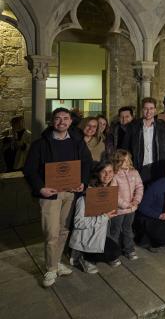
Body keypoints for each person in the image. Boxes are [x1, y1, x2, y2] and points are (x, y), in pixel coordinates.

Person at [23, 107, 93, 287]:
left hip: (70, 193)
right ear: (52, 121)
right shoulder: (40, 144)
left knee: (63, 230)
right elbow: (29, 170)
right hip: (50, 195)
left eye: (65, 118)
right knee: (51, 232)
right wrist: (40, 188)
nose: (62, 121)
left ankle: (56, 262)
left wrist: (83, 182)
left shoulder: (77, 142)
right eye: (58, 118)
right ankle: (51, 268)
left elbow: (86, 162)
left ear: (70, 121)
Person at [69, 161, 121, 274]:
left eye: (110, 171)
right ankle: (86, 258)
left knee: (116, 251)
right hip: (87, 237)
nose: (107, 175)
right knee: (112, 253)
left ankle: (94, 255)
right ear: (97, 173)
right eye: (104, 171)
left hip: (100, 235)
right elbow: (78, 223)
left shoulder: (110, 192)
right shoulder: (86, 196)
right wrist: (104, 217)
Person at [124, 97, 165, 184]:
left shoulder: (162, 125)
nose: (148, 111)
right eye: (146, 108)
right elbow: (125, 147)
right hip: (139, 167)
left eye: (151, 108)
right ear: (142, 110)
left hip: (158, 167)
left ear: (155, 110)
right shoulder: (133, 126)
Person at [110, 149, 143, 260]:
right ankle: (113, 254)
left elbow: (139, 187)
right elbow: (113, 193)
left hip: (131, 209)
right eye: (124, 160)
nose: (127, 162)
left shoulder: (134, 172)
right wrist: (125, 205)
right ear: (117, 161)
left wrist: (136, 201)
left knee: (128, 229)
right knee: (115, 230)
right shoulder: (114, 175)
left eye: (128, 159)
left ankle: (129, 250)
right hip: (118, 210)